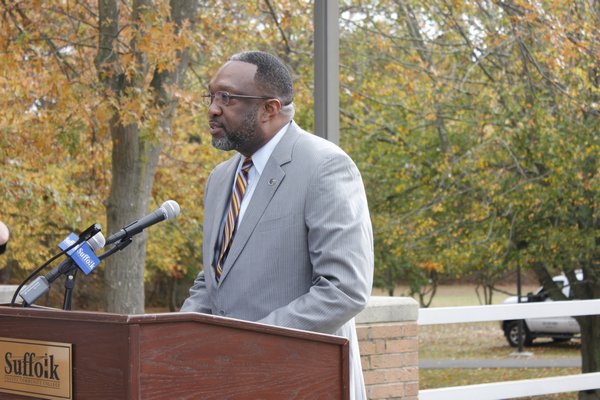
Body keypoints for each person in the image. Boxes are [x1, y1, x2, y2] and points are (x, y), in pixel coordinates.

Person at [181, 51, 374, 400]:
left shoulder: (325, 166)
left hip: (300, 381)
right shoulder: (221, 178)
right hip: (225, 381)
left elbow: (344, 289)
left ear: (270, 108)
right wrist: (177, 335)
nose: (212, 108)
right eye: (211, 96)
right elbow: (214, 278)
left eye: (227, 97)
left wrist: (250, 342)